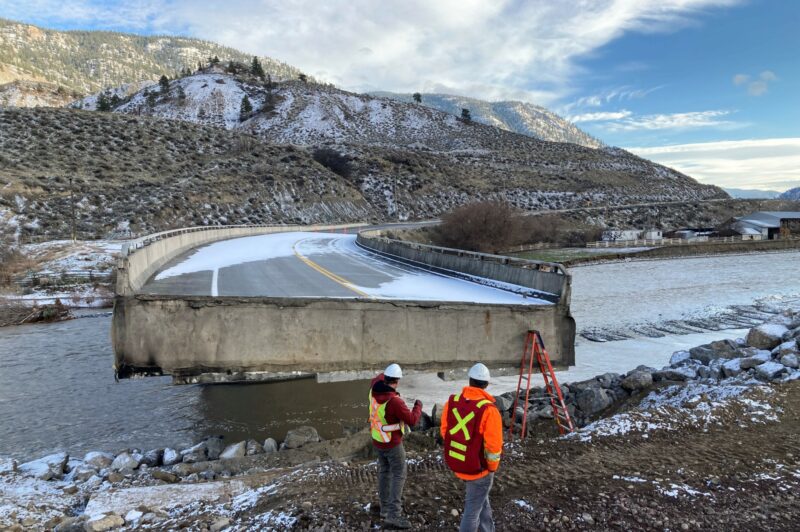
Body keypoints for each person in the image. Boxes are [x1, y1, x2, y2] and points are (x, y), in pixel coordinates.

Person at [441, 363, 503, 532]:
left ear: (469, 381)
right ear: (487, 384)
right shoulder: (489, 410)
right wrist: (491, 468)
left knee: (481, 501)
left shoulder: (452, 401)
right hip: (479, 470)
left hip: (460, 461)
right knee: (471, 513)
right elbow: (493, 446)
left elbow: (445, 432)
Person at [369, 363, 422, 529]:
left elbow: (375, 379)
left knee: (385, 472)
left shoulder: (373, 391)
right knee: (399, 474)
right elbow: (412, 420)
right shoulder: (394, 401)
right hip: (392, 443)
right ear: (397, 381)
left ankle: (385, 508)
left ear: (384, 378)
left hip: (377, 439)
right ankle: (393, 514)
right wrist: (418, 406)